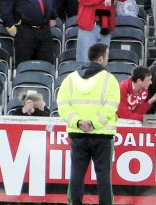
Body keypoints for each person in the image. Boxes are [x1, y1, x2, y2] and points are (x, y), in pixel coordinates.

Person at [56, 41, 120, 205]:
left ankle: (74, 203)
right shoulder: (109, 79)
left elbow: (62, 105)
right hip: (103, 135)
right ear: (100, 58)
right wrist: (94, 124)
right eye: (107, 56)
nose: (108, 59)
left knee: (76, 174)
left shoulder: (70, 79)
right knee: (104, 176)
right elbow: (111, 106)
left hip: (77, 134)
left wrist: (78, 123)